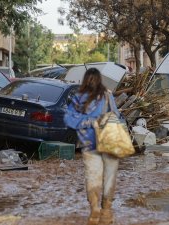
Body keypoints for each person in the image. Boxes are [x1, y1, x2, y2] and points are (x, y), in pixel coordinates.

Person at [64, 68, 123, 225]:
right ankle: (106, 210)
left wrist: (85, 122)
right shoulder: (107, 95)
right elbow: (117, 116)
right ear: (100, 79)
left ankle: (95, 209)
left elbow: (68, 119)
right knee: (109, 178)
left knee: (93, 177)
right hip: (109, 143)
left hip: (89, 145)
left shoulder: (78, 97)